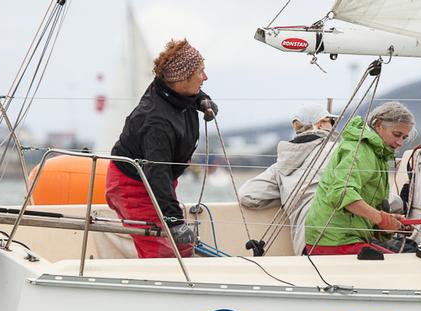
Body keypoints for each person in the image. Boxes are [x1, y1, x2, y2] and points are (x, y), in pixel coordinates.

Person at [105, 39, 217, 258]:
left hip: (157, 182)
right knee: (160, 250)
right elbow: (157, 173)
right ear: (182, 79)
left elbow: (185, 96)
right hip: (133, 186)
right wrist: (175, 222)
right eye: (200, 72)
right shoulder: (156, 122)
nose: (205, 77)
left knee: (183, 248)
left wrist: (202, 100)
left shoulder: (171, 89)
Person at [304, 101, 415, 255]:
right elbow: (342, 193)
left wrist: (391, 221)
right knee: (406, 262)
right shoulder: (360, 149)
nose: (400, 142)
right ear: (378, 125)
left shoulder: (376, 153)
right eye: (397, 135)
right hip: (334, 240)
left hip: (342, 237)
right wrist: (382, 219)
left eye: (404, 137)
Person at [238, 104, 338, 255]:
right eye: (332, 122)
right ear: (321, 123)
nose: (334, 127)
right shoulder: (338, 150)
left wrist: (291, 197)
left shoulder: (282, 163)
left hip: (305, 248)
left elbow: (248, 195)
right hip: (340, 240)